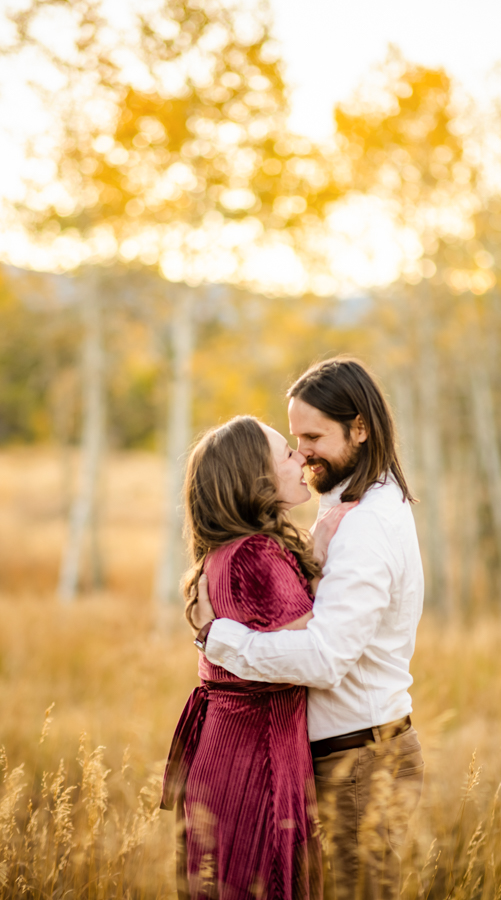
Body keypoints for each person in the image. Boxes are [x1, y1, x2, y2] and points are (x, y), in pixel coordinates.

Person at [194, 358, 425, 900]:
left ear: (361, 428)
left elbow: (325, 660)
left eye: (314, 436)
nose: (302, 454)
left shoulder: (367, 525)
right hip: (344, 758)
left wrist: (220, 639)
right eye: (294, 438)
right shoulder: (347, 503)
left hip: (359, 764)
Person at [161, 414, 354, 900]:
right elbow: (313, 646)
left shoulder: (231, 550)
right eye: (286, 453)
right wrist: (325, 560)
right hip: (256, 757)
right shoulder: (254, 555)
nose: (301, 457)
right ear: (257, 479)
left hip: (233, 748)